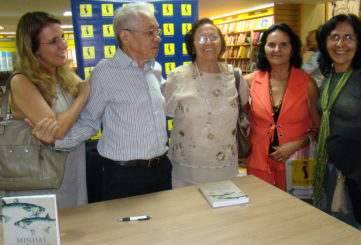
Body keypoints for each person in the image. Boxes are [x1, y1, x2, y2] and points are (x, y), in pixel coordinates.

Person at [30, 3, 172, 201]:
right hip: (124, 176)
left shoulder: (155, 68)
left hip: (161, 170)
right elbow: (89, 122)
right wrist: (55, 140)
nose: (158, 38)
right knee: (125, 232)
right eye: (150, 32)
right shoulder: (105, 73)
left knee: (163, 228)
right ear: (125, 36)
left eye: (157, 31)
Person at [2, 12, 90, 208]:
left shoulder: (65, 78)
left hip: (71, 173)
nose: (63, 45)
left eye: (62, 37)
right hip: (37, 183)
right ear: (34, 50)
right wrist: (82, 97)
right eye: (53, 42)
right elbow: (57, 131)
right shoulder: (22, 82)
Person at [163, 18, 249, 188]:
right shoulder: (177, 77)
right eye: (202, 38)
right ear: (192, 45)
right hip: (186, 172)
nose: (208, 42)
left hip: (226, 170)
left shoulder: (236, 76)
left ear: (221, 42)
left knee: (225, 214)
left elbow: (247, 110)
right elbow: (162, 114)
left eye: (213, 37)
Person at [243, 23, 321, 191]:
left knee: (296, 212)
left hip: (298, 161)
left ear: (293, 48)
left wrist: (297, 144)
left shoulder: (307, 83)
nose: (277, 49)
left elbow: (318, 127)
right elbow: (241, 118)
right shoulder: (249, 82)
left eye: (283, 44)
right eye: (271, 44)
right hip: (259, 161)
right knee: (259, 209)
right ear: (264, 49)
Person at [313, 14, 361, 228]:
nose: (340, 44)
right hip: (332, 168)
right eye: (334, 37)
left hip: (360, 174)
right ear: (325, 42)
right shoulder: (328, 78)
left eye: (348, 37)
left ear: (359, 43)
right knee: (335, 227)